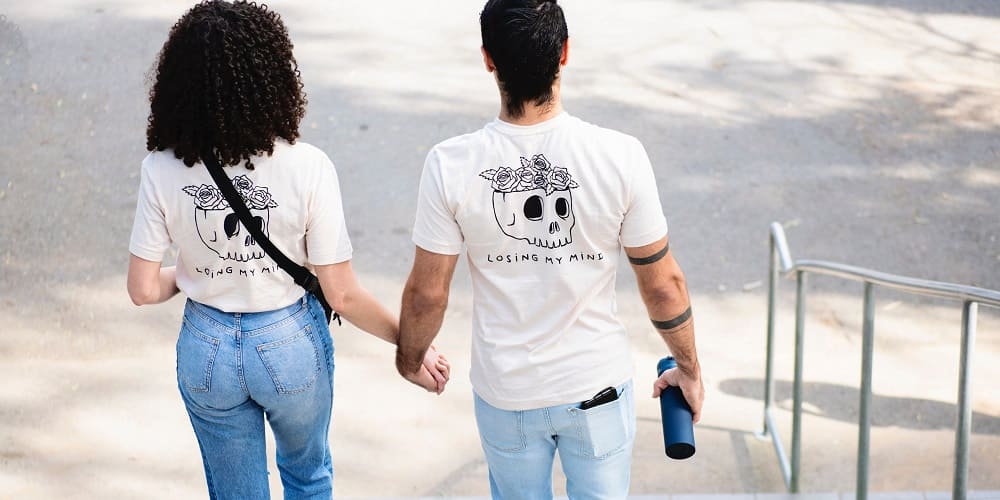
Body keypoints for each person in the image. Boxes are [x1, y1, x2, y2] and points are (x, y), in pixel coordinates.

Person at [126, 2, 448, 499]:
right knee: (307, 476)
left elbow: (143, 290)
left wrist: (195, 272)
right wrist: (410, 344)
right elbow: (341, 295)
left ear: (178, 84)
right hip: (288, 345)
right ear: (271, 75)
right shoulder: (309, 167)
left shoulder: (161, 167)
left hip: (206, 347)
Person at [395, 0, 704, 497]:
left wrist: (409, 359)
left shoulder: (450, 163)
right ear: (563, 53)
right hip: (596, 387)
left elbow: (428, 294)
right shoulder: (619, 155)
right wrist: (687, 368)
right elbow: (664, 284)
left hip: (507, 393)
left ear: (488, 59)